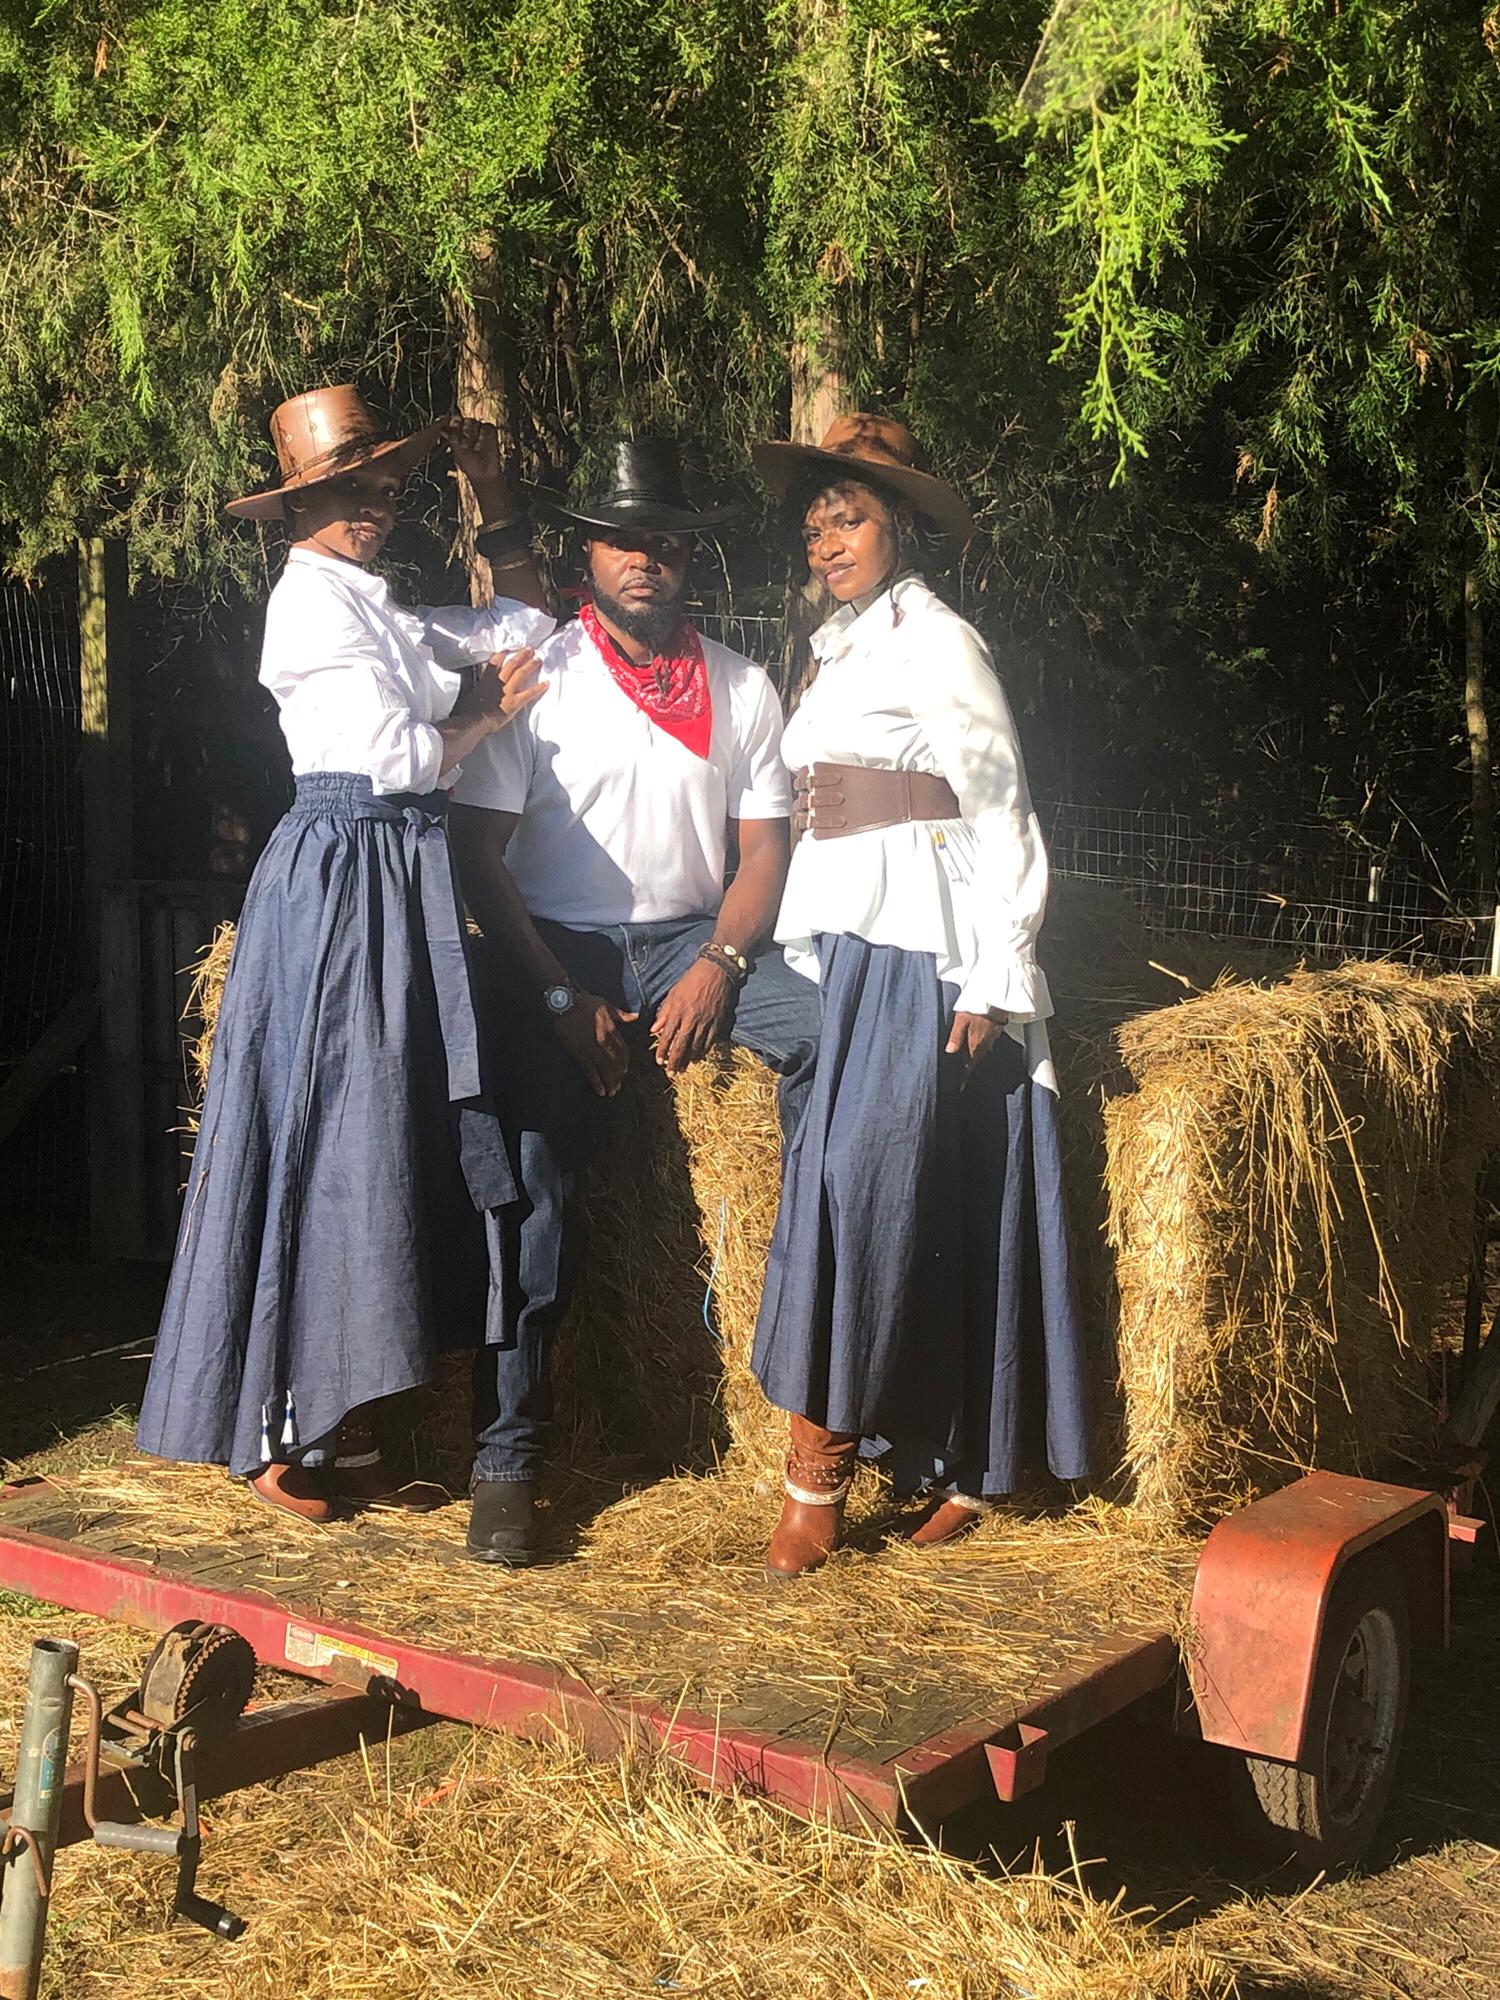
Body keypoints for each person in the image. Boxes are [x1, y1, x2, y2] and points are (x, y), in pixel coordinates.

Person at [137, 386, 555, 1523]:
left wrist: (493, 502)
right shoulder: (307, 605)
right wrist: (483, 718)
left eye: (381, 487)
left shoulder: (374, 602)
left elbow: (527, 630)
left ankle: (342, 1419)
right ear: (295, 507)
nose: (371, 506)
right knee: (331, 1124)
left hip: (390, 872)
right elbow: (389, 757)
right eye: (344, 492)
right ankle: (283, 1430)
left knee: (377, 1136)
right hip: (341, 875)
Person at [448, 438, 821, 1567]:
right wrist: (560, 993)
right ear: (589, 556)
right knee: (535, 1177)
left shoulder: (742, 685)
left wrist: (724, 962)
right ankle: (508, 1459)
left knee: (824, 1035)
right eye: (623, 541)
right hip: (552, 947)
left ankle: (811, 1322)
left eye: (663, 541)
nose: (644, 558)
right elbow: (477, 856)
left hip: (685, 940)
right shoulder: (541, 674)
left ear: (687, 555)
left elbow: (764, 852)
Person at [746, 414, 1093, 1578]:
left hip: (920, 945)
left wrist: (996, 969)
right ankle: (952, 1456)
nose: (827, 542)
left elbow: (1002, 805)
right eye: (815, 526)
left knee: (864, 1186)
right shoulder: (840, 644)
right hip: (849, 939)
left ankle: (818, 1477)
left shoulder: (941, 641)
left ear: (898, 522)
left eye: (848, 519)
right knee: (877, 1189)